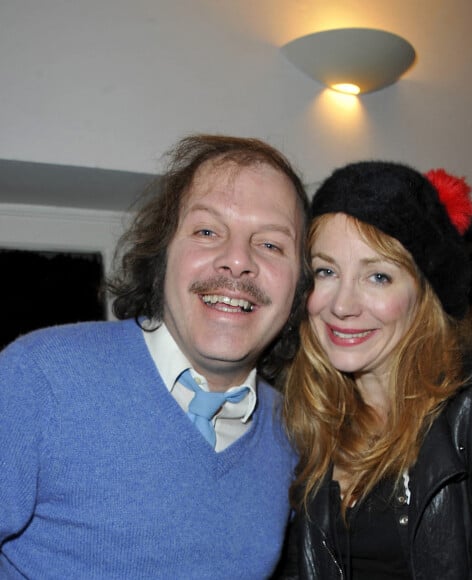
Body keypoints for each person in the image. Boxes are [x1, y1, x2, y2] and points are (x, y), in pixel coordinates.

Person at [0, 134, 310, 578]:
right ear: (163, 255)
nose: (237, 261)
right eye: (207, 231)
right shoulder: (38, 377)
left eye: (271, 244)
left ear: (299, 287)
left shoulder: (294, 433)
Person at [277, 161, 472, 579]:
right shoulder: (299, 410)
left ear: (424, 293)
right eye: (326, 271)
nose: (341, 305)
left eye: (378, 276)